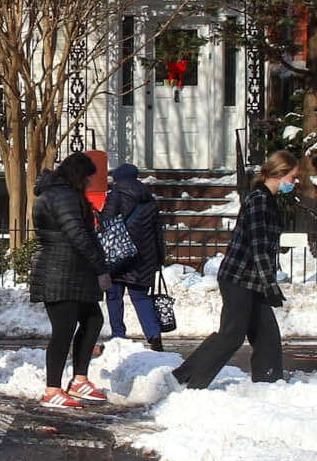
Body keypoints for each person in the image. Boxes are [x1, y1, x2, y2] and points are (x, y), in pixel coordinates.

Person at [173, 151, 298, 390]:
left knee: (267, 335)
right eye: (292, 178)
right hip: (239, 278)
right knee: (231, 335)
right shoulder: (259, 200)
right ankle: (191, 381)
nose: (294, 183)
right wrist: (270, 286)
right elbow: (258, 247)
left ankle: (269, 383)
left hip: (254, 279)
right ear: (280, 175)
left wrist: (267, 284)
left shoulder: (268, 199)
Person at [29, 151, 113, 407]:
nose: (89, 183)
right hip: (61, 272)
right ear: (78, 175)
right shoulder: (63, 196)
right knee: (63, 331)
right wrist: (100, 268)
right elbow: (77, 234)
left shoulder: (59, 193)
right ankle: (52, 388)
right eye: (87, 178)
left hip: (71, 272)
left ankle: (78, 380)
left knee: (93, 320)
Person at [100, 163, 167, 352]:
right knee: (140, 297)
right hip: (144, 256)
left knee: (114, 296)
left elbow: (107, 222)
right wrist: (159, 258)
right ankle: (153, 334)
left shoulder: (116, 195)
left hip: (119, 253)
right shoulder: (149, 199)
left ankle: (119, 336)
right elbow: (157, 231)